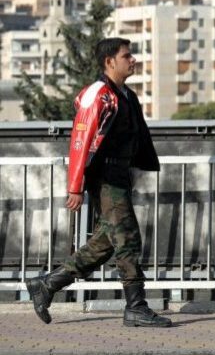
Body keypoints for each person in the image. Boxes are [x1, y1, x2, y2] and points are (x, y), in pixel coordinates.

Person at [26, 38, 171, 327]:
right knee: (128, 238)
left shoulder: (126, 95)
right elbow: (80, 142)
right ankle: (136, 306)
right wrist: (75, 186)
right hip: (104, 177)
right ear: (109, 62)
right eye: (127, 56)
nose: (133, 60)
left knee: (105, 243)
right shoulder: (98, 94)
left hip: (119, 176)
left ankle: (47, 284)